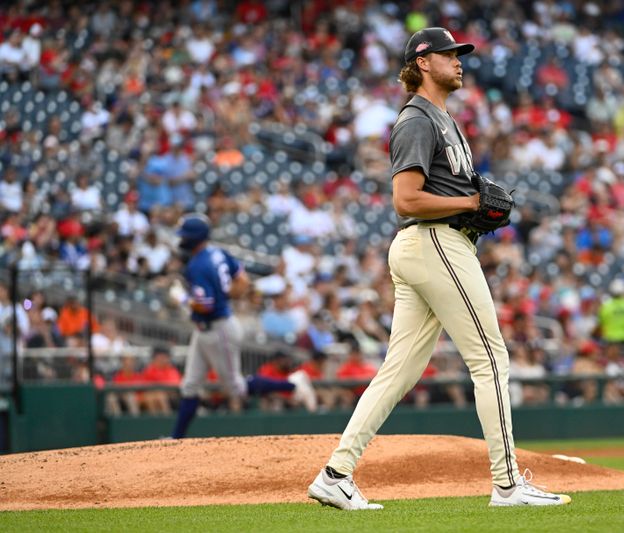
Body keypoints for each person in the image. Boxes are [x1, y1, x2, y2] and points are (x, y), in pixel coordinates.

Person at [308, 28, 571, 511]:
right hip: (434, 241)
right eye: (450, 54)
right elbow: (404, 199)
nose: (459, 61)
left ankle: (335, 474)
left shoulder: (445, 118)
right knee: (490, 358)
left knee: (398, 372)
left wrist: (470, 205)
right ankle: (508, 484)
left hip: (434, 244)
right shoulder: (416, 119)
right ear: (423, 62)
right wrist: (471, 200)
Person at [169, 214, 317, 439]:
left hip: (218, 329)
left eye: (184, 236)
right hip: (206, 329)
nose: (181, 240)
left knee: (236, 388)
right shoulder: (218, 252)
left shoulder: (197, 264)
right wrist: (225, 296)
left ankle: (293, 385)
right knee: (190, 385)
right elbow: (242, 280)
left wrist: (180, 298)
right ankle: (176, 439)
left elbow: (205, 306)